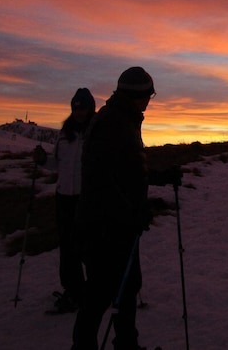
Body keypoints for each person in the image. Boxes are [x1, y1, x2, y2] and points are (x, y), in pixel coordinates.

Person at [72, 67, 181, 350]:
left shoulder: (122, 119)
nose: (149, 102)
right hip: (105, 227)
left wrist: (162, 176)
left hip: (117, 224)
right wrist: (130, 212)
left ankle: (126, 344)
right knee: (100, 293)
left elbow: (129, 170)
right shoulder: (113, 124)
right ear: (138, 95)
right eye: (148, 96)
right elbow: (101, 179)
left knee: (127, 286)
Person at [33, 88, 96, 313]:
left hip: (87, 199)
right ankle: (75, 292)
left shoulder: (96, 132)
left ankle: (98, 289)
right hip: (64, 198)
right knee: (68, 248)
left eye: (83, 108)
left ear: (91, 108)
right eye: (75, 108)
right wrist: (43, 161)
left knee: (88, 248)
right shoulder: (65, 133)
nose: (78, 112)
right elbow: (58, 164)